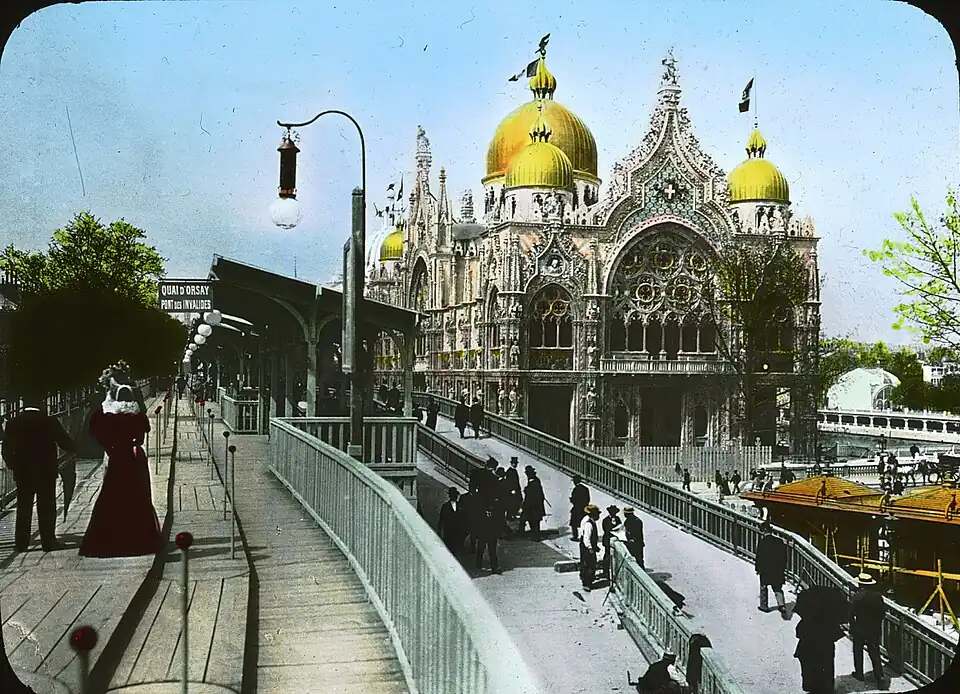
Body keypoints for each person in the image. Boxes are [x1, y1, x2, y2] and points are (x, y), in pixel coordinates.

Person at [79, 382, 162, 557]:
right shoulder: (138, 417)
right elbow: (141, 435)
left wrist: (110, 448)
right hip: (134, 457)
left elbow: (95, 430)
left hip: (116, 457)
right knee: (137, 493)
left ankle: (109, 539)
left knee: (112, 493)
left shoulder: (109, 417)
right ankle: (138, 537)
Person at [1, 394, 76, 552]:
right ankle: (48, 542)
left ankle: (21, 543)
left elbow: (6, 448)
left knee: (23, 506)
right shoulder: (49, 421)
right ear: (41, 404)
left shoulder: (13, 423)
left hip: (23, 470)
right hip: (46, 469)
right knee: (47, 505)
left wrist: (13, 464)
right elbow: (65, 442)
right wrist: (73, 449)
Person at [793, 579, 848, 694]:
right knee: (827, 666)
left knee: (809, 665)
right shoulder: (829, 622)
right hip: (826, 644)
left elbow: (800, 632)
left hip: (808, 643)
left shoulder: (807, 620)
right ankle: (827, 688)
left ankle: (811, 686)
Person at [849, 572, 886, 689]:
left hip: (859, 627)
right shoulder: (877, 596)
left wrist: (853, 625)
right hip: (874, 629)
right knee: (874, 653)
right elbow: (882, 613)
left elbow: (850, 613)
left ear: (860, 584)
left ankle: (859, 673)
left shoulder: (856, 597)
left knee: (857, 650)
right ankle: (879, 678)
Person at [754, 521, 788, 617]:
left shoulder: (763, 542)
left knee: (763, 586)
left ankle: (764, 606)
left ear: (764, 531)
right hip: (777, 569)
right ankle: (781, 605)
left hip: (765, 569)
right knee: (777, 588)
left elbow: (759, 556)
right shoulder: (779, 541)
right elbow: (784, 556)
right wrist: (783, 567)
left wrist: (757, 568)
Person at [475, 497, 503, 574]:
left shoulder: (495, 515)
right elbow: (477, 525)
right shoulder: (480, 514)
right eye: (489, 507)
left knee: (492, 552)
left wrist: (497, 534)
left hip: (492, 536)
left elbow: (498, 524)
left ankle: (495, 567)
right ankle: (478, 564)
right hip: (482, 535)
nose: (490, 508)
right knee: (480, 550)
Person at [519, 466, 546, 541]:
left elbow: (531, 496)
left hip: (533, 507)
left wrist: (526, 490)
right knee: (533, 521)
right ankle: (533, 535)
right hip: (535, 506)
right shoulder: (535, 480)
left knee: (534, 522)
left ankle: (536, 536)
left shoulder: (534, 482)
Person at [578, 504, 601, 591]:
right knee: (590, 565)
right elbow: (586, 538)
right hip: (587, 547)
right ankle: (587, 583)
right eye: (597, 514)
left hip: (588, 546)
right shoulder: (589, 524)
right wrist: (590, 548)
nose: (598, 516)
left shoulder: (590, 521)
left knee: (587, 564)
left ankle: (586, 580)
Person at [437, 487, 466, 553]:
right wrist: (439, 532)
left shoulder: (461, 506)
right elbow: (441, 520)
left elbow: (464, 519)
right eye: (453, 495)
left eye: (456, 495)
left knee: (456, 551)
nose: (455, 496)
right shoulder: (445, 506)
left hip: (457, 533)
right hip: (448, 533)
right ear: (450, 496)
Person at [601, 505, 622, 577]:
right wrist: (613, 529)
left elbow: (620, 527)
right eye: (612, 512)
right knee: (607, 555)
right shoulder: (605, 520)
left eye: (615, 512)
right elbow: (606, 530)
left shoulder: (618, 519)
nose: (614, 514)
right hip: (608, 539)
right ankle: (605, 571)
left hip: (615, 539)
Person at [569, 475, 591, 541]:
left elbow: (574, 500)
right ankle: (585, 536)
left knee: (574, 524)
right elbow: (588, 499)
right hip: (584, 508)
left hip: (576, 509)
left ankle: (575, 536)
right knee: (584, 523)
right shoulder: (586, 488)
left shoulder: (576, 489)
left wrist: (571, 500)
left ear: (575, 482)